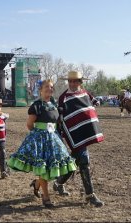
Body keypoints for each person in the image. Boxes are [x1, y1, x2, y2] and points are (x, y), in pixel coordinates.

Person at [7, 80, 77, 208]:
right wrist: (38, 135)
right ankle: (46, 197)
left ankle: (36, 184)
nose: (49, 89)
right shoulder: (37, 105)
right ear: (40, 90)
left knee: (52, 167)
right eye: (46, 87)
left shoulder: (54, 104)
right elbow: (29, 124)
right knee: (43, 168)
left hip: (54, 138)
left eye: (51, 87)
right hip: (40, 139)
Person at [54, 70, 105, 207]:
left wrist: (96, 102)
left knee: (74, 162)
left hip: (86, 131)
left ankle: (58, 183)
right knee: (84, 160)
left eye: (75, 81)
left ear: (80, 82)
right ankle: (90, 195)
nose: (72, 83)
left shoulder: (84, 92)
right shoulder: (63, 97)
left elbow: (92, 101)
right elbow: (60, 117)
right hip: (73, 134)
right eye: (70, 81)